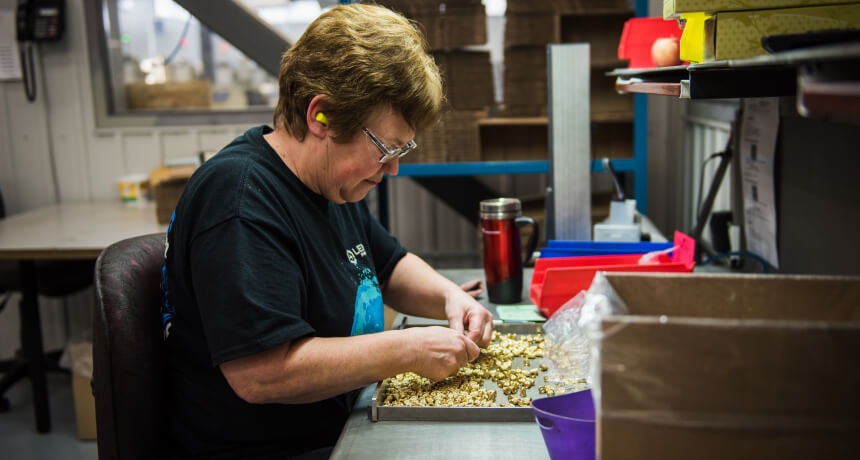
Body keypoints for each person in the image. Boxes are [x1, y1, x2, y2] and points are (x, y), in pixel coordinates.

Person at [161, 4, 494, 459]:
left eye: (403, 149)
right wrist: (407, 348)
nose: (394, 168)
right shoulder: (241, 200)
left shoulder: (333, 185)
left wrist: (451, 299)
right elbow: (262, 373)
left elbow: (390, 264)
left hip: (339, 425)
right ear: (322, 116)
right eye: (385, 147)